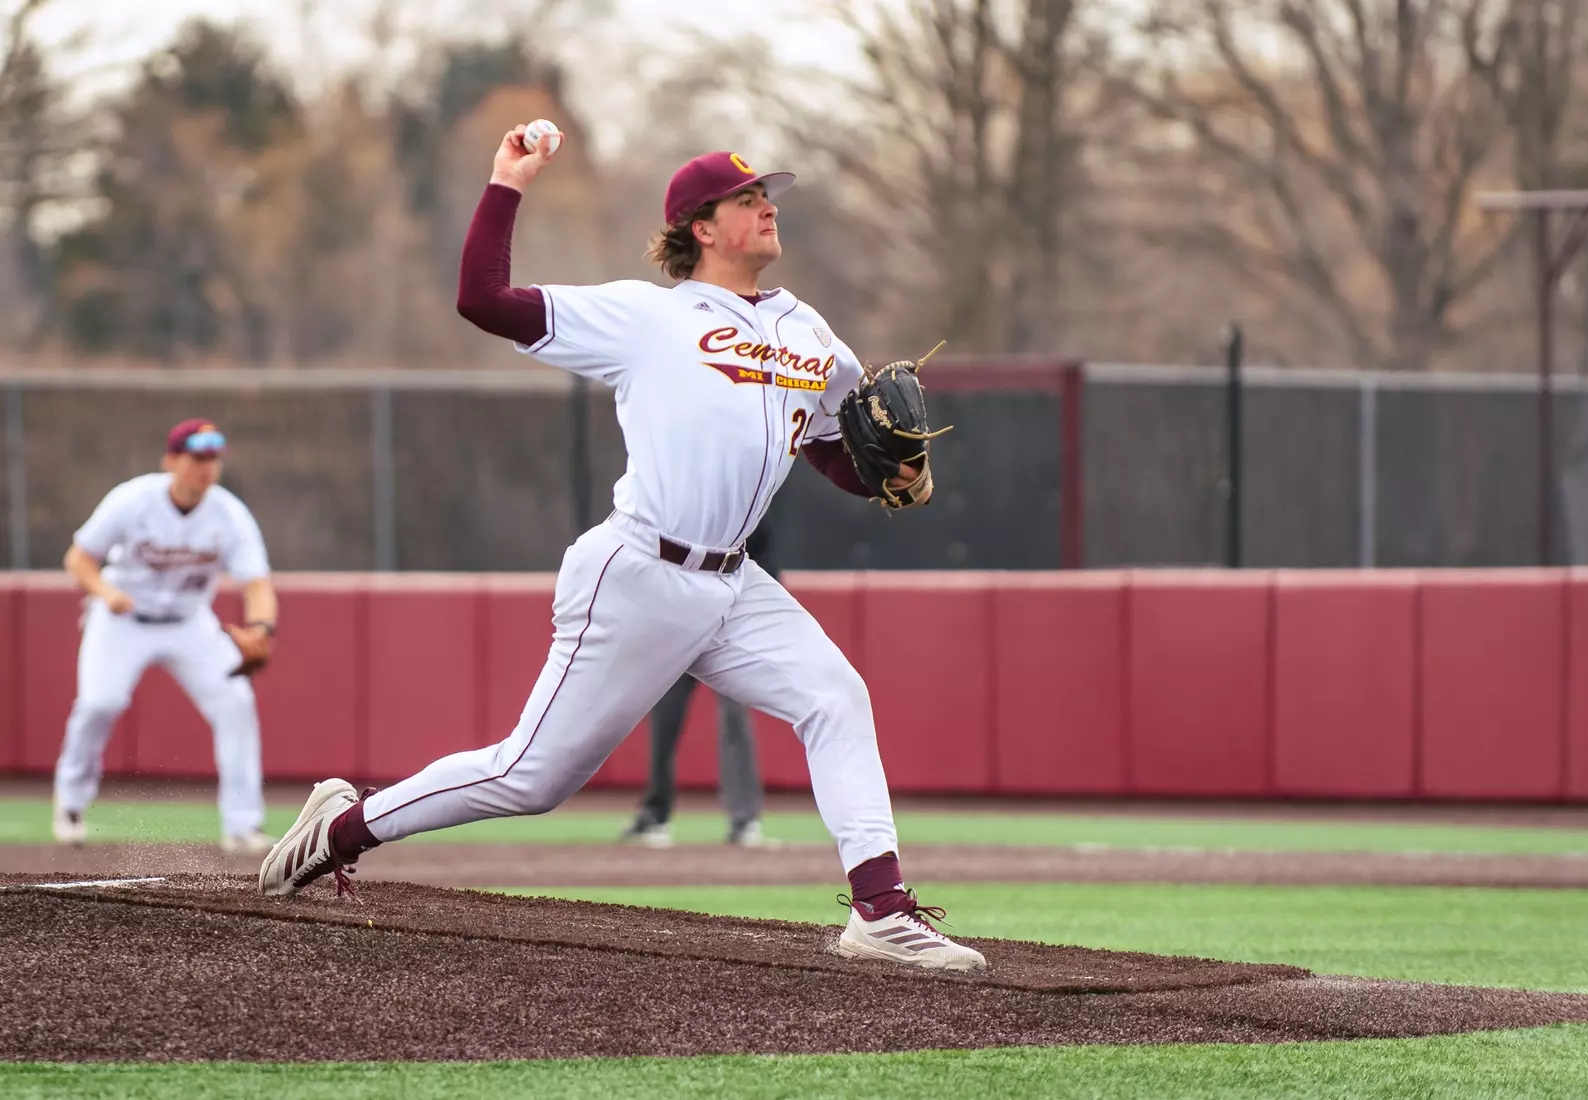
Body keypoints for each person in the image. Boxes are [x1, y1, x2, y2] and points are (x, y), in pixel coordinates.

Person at [259, 130, 985, 972]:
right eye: (748, 199)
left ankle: (881, 908)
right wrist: (506, 183)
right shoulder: (648, 317)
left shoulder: (809, 332)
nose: (767, 206)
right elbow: (482, 300)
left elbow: (831, 446)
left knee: (835, 695)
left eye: (767, 195)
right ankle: (343, 826)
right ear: (701, 227)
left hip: (734, 582)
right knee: (531, 779)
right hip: (639, 572)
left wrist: (893, 476)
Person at [53, 419, 278, 854]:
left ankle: (242, 825)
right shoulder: (133, 499)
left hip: (189, 622)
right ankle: (71, 805)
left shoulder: (229, 514)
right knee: (100, 703)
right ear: (171, 461)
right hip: (122, 619)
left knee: (236, 702)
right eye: (197, 457)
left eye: (213, 459)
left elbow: (257, 584)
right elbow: (78, 558)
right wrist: (105, 592)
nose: (206, 467)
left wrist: (262, 629)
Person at [619, 514, 777, 849]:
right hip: (680, 618)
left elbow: (763, 555)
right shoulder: (677, 501)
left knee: (735, 719)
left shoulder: (746, 502)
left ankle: (745, 820)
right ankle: (655, 813)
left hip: (730, 621)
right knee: (666, 717)